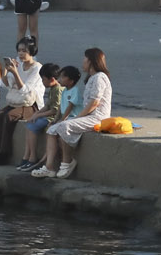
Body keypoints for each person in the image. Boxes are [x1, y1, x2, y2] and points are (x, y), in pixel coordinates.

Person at [31, 48, 111, 180]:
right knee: (52, 130)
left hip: (97, 117)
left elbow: (94, 103)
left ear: (91, 61)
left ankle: (66, 163)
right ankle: (49, 167)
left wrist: (78, 118)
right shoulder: (92, 78)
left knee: (65, 126)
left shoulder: (99, 78)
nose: (83, 62)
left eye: (85, 59)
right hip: (89, 116)